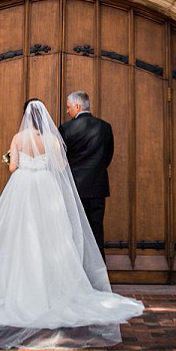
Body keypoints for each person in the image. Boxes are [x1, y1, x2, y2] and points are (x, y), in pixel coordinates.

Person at [0, 99, 143, 349]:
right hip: (46, 187)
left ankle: (20, 292)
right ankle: (53, 293)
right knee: (52, 239)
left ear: (25, 115)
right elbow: (60, 167)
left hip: (22, 188)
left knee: (21, 238)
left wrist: (12, 161)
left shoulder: (18, 138)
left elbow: (13, 167)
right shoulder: (53, 140)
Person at [58, 91, 114, 260]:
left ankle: (77, 271)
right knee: (96, 229)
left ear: (77, 106)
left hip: (74, 187)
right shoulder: (105, 127)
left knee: (75, 229)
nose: (67, 111)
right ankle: (98, 272)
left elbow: (61, 158)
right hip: (97, 186)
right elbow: (108, 155)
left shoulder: (66, 128)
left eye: (68, 107)